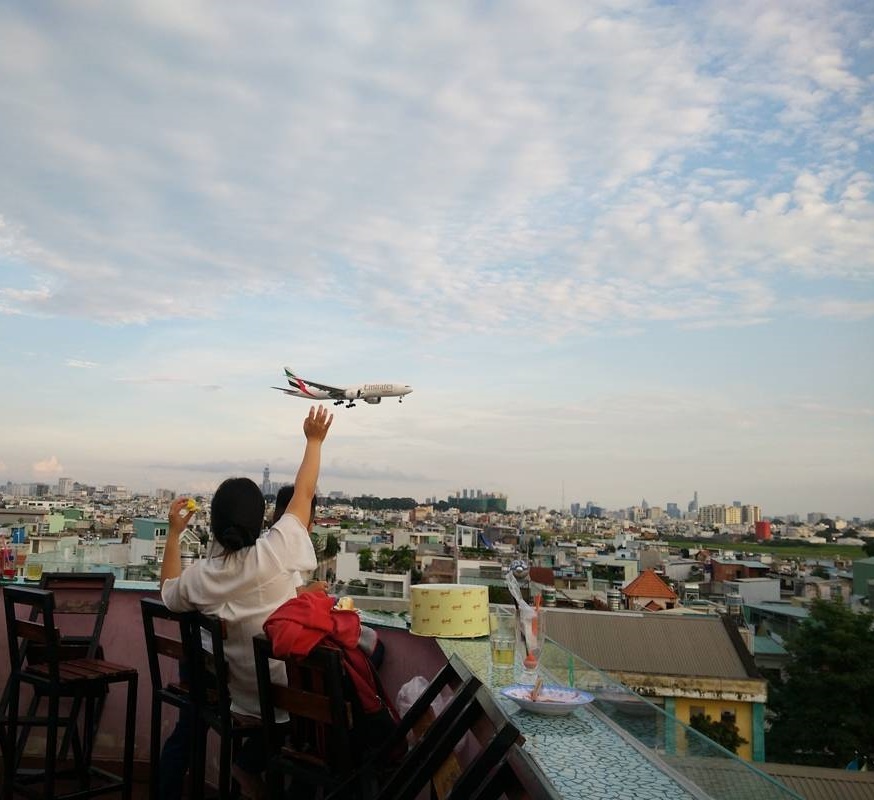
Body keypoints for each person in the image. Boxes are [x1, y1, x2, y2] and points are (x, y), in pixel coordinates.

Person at [160, 404, 333, 798]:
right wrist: (314, 440)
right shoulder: (273, 553)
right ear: (261, 522)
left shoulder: (204, 577)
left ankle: (248, 771)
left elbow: (168, 591)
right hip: (286, 706)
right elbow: (303, 493)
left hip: (237, 699)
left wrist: (173, 534)